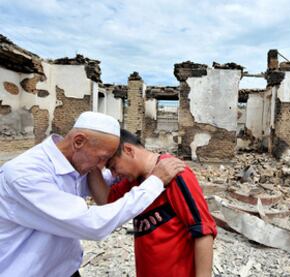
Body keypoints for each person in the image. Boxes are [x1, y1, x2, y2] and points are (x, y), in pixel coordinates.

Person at [0, 111, 185, 277]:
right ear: (78, 141)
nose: (103, 165)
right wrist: (155, 182)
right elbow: (93, 224)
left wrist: (139, 168)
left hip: (65, 270)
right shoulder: (25, 175)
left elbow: (105, 180)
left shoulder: (77, 163)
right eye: (103, 157)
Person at [88, 129, 217, 277]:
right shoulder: (135, 180)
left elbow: (203, 231)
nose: (114, 174)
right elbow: (106, 202)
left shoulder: (175, 173)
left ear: (129, 150)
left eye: (113, 167)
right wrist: (90, 164)